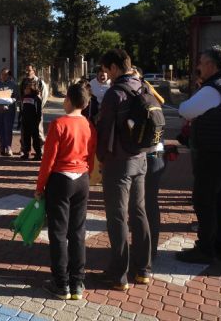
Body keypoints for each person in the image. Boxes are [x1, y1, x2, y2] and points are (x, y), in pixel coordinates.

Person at [178, 45, 221, 264]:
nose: (198, 67)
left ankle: (205, 249)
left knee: (204, 200)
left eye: (201, 63)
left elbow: (185, 110)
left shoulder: (212, 88)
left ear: (211, 65)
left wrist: (200, 89)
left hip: (214, 152)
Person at [35, 83, 96, 301]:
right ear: (86, 103)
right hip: (82, 179)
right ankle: (77, 282)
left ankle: (60, 284)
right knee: (78, 232)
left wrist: (40, 186)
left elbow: (48, 159)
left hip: (60, 180)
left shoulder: (59, 124)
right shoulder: (89, 125)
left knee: (58, 233)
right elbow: (91, 155)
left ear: (68, 100)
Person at [96, 49, 151, 291]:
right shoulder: (143, 86)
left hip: (119, 161)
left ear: (115, 68)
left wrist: (100, 159)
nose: (105, 75)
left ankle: (119, 274)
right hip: (141, 158)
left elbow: (105, 132)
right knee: (138, 212)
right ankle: (143, 270)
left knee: (117, 216)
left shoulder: (114, 94)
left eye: (107, 70)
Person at [132, 66, 166, 259]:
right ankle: (150, 249)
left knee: (140, 207)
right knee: (150, 205)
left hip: (145, 159)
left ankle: (144, 251)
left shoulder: (138, 99)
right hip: (158, 156)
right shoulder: (152, 96)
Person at [19, 65, 49, 150]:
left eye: (29, 70)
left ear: (34, 71)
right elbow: (21, 96)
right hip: (25, 112)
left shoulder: (39, 82)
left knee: (38, 132)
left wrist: (38, 108)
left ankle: (40, 150)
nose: (27, 72)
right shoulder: (23, 82)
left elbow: (44, 96)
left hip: (36, 112)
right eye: (26, 70)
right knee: (24, 132)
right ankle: (24, 149)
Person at [0, 68, 19, 156]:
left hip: (9, 111)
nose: (4, 76)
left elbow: (18, 97)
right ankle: (1, 148)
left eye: (6, 74)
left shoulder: (13, 85)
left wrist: (10, 100)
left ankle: (8, 148)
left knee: (8, 129)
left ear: (9, 76)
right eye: (2, 74)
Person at [19, 80, 43, 160]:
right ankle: (26, 153)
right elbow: (22, 110)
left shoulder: (36, 98)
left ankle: (38, 154)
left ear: (32, 89)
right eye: (25, 88)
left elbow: (39, 111)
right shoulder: (24, 98)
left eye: (27, 88)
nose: (25, 89)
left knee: (35, 138)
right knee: (26, 138)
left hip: (33, 122)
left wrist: (38, 120)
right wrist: (20, 120)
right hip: (25, 121)